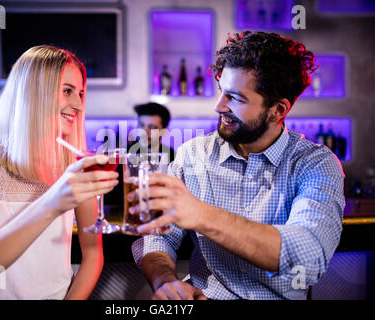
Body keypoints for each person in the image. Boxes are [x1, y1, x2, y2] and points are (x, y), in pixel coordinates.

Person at [131, 31, 345, 300]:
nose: (219, 106)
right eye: (221, 91)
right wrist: (164, 281)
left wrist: (201, 214)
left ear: (278, 110)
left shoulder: (315, 164)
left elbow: (308, 258)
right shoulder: (192, 155)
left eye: (235, 98)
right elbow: (156, 236)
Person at [0, 46, 119, 299]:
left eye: (81, 93)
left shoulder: (74, 163)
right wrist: (52, 203)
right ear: (33, 92)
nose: (78, 105)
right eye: (67, 91)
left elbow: (93, 254)